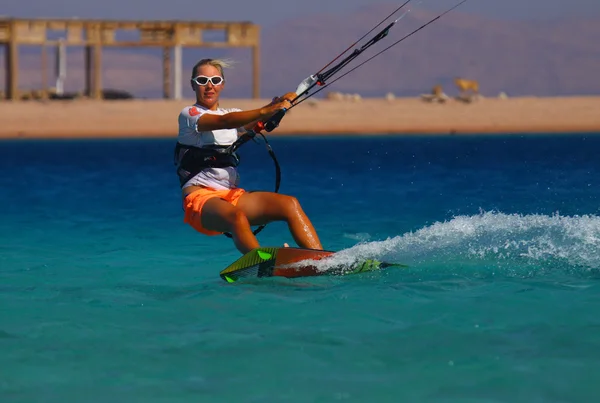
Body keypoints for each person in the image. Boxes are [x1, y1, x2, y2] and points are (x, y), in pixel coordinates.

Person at [175, 58, 323, 255]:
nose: (209, 86)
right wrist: (265, 110)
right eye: (202, 80)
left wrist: (282, 103)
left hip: (230, 195)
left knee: (289, 204)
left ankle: (321, 260)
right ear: (193, 84)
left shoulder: (233, 114)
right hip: (200, 201)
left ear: (223, 84)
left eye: (215, 80)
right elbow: (225, 121)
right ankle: (261, 262)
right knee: (236, 216)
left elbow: (256, 120)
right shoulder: (190, 115)